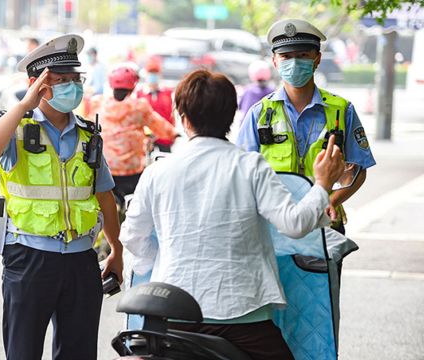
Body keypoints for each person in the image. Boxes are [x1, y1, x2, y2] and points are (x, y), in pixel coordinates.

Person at [120, 69, 345, 360]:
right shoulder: (250, 166)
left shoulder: (157, 172)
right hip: (242, 315)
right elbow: (295, 224)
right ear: (231, 116)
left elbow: (132, 237)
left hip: (173, 313)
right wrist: (323, 184)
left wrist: (161, 262)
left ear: (183, 117)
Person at [0, 34, 123, 360]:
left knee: (78, 353)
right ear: (36, 83)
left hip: (81, 260)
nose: (71, 87)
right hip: (29, 258)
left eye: (75, 79)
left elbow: (104, 196)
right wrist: (24, 105)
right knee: (23, 352)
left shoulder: (88, 134)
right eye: (60, 80)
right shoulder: (12, 125)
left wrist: (116, 247)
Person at [236, 19, 376, 234]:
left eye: (302, 56)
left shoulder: (342, 109)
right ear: (274, 61)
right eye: (286, 57)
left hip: (325, 225)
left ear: (317, 59)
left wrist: (332, 201)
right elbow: (242, 174)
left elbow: (359, 169)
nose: (294, 63)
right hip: (274, 226)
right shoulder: (259, 113)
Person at [86, 63, 177, 203]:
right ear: (133, 86)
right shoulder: (139, 107)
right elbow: (162, 128)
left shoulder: (98, 104)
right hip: (132, 171)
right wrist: (173, 134)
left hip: (105, 169)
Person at [136, 56, 176, 152]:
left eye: (155, 74)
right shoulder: (140, 93)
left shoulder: (168, 92)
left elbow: (171, 115)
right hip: (147, 137)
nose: (153, 77)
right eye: (150, 74)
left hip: (165, 137)